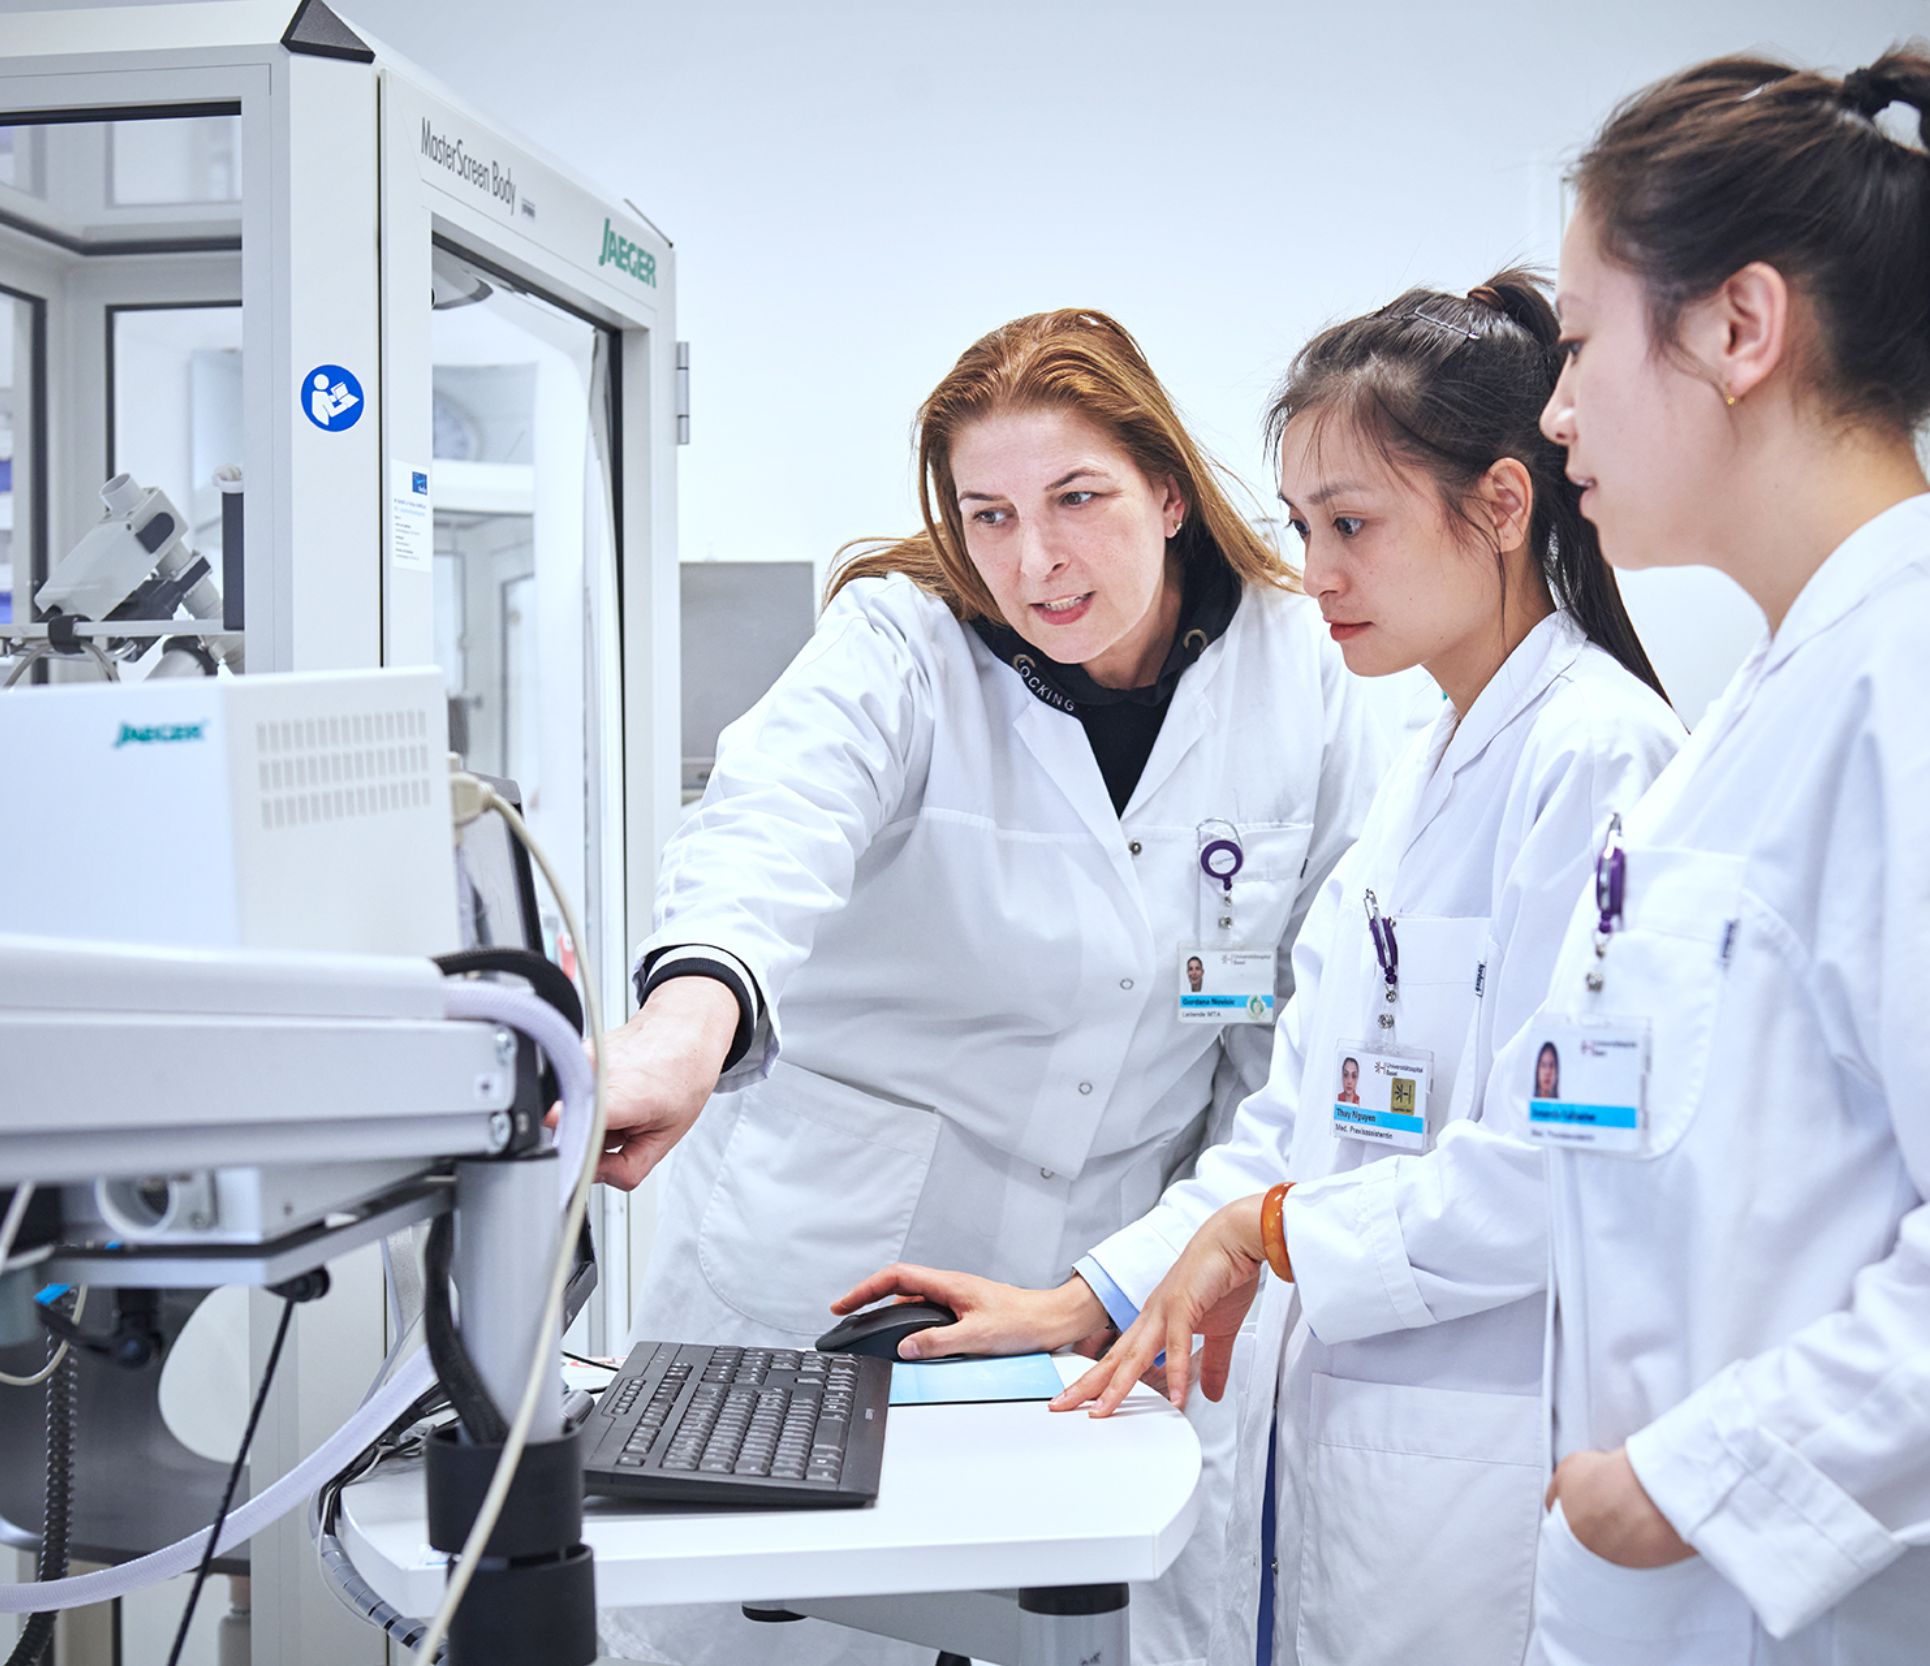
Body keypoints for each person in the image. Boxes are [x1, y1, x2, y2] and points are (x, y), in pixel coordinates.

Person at [838, 272, 1684, 1666]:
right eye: (1303, 526)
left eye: (1353, 523)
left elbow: (1560, 1173)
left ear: (1503, 507)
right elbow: (1296, 1126)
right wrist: (1090, 1296)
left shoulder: (1595, 757)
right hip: (1343, 1447)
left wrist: (1277, 1236)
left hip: (1473, 1471)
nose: (1317, 569)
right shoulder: (1426, 767)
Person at [593, 307, 1392, 1666]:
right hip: (816, 1290)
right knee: (759, 1639)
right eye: (991, 514)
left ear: (1168, 491)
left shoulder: (1296, 673)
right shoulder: (900, 645)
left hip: (1096, 1304)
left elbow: (1286, 1058)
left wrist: (1159, 1264)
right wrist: (686, 1020)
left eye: (1077, 498)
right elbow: (769, 824)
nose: (1037, 558)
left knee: (1051, 1632)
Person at [1516, 47, 1930, 1665]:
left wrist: (1689, 1482)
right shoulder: (1802, 689)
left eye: (1586, 339)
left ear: (1742, 327)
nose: (1555, 408)